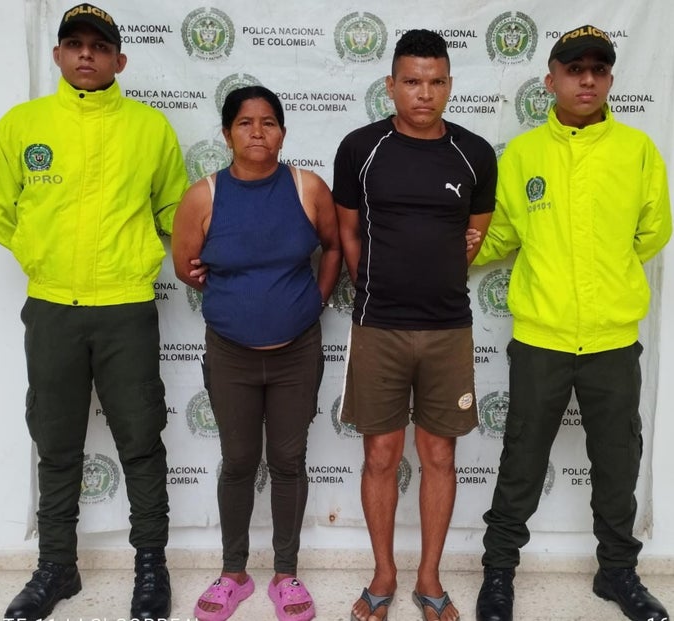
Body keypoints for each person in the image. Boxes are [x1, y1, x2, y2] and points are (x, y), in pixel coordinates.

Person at [0, 4, 189, 620]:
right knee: (57, 442)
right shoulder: (23, 125)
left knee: (141, 442)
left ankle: (151, 566)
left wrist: (152, 253)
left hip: (126, 308)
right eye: (75, 44)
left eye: (99, 46)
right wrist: (40, 256)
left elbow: (173, 211)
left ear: (120, 60)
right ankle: (56, 568)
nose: (86, 54)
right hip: (52, 310)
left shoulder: (150, 128)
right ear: (58, 55)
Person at [472, 25, 671, 621]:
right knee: (521, 459)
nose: (587, 80)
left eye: (598, 70)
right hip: (542, 339)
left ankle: (618, 573)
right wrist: (444, 250)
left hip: (612, 340)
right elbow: (503, 233)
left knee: (618, 462)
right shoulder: (524, 155)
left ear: (609, 79)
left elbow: (653, 231)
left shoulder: (637, 150)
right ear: (551, 79)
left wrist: (605, 274)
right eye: (574, 69)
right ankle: (499, 574)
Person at [333, 29, 497, 621]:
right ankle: (384, 574)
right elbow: (349, 235)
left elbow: (472, 237)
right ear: (391, 85)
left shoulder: (475, 153)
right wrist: (381, 287)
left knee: (440, 456)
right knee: (380, 455)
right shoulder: (360, 148)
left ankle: (429, 578)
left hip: (448, 328)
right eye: (411, 81)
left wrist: (433, 276)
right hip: (378, 325)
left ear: (449, 85)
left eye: (435, 82)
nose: (423, 93)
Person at [172, 85, 341, 621]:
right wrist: (237, 301)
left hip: (297, 353)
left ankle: (286, 575)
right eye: (245, 123)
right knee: (239, 461)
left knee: (289, 462)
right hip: (231, 355)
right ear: (227, 134)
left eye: (268, 122)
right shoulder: (203, 197)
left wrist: (313, 301)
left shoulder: (308, 188)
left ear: (283, 133)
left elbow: (334, 247)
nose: (257, 132)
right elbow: (185, 267)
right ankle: (234, 574)